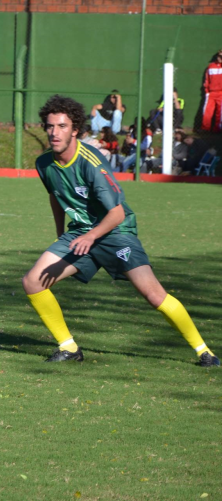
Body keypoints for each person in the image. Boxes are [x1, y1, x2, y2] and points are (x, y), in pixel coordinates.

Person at [21, 95, 217, 367]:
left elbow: (117, 213)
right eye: (50, 126)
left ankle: (203, 351)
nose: (54, 132)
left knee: (154, 295)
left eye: (62, 126)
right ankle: (68, 347)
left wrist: (90, 236)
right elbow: (55, 195)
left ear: (75, 129)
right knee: (33, 282)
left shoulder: (91, 162)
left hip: (115, 232)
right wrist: (60, 233)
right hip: (80, 234)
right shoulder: (44, 163)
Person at [201, 49, 222, 132]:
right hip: (211, 92)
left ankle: (218, 129)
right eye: (219, 55)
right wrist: (207, 91)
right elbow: (207, 79)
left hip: (221, 93)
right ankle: (205, 128)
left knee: (220, 113)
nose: (219, 58)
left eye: (221, 56)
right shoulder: (211, 66)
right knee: (207, 111)